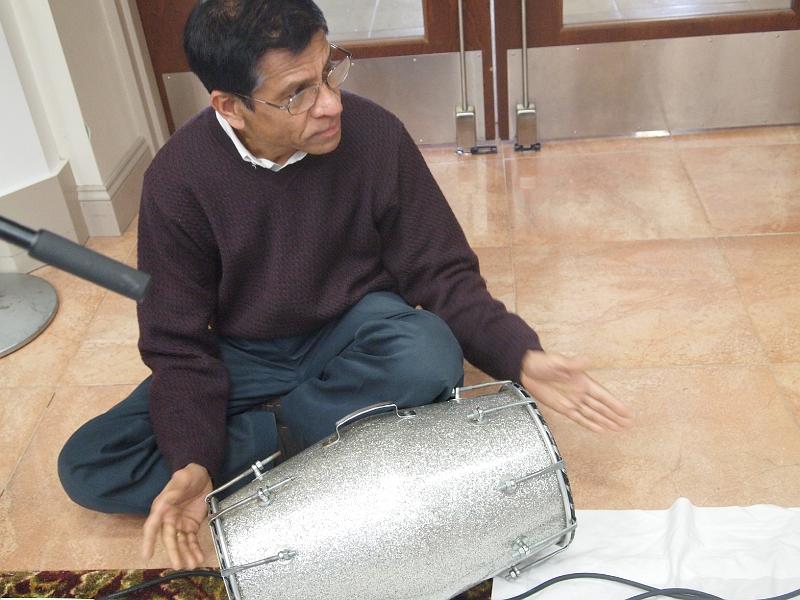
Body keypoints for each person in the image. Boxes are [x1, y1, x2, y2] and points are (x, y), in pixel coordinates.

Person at [58, 0, 632, 571]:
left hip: (355, 330)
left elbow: (441, 271)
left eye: (329, 70)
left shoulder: (375, 134)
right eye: (297, 94)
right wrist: (192, 461)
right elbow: (177, 345)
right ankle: (322, 435)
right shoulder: (177, 181)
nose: (331, 103)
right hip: (247, 354)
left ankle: (278, 445)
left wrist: (517, 354)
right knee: (89, 463)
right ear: (231, 107)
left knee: (427, 351)